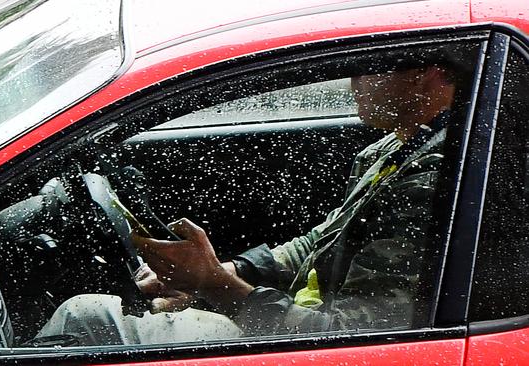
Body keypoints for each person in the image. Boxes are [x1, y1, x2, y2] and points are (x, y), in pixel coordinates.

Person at [37, 64, 457, 345]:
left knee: (84, 317)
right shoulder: (397, 149)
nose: (353, 82)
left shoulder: (433, 184)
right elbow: (317, 242)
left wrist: (216, 286)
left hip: (307, 347)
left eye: (369, 68)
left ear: (430, 75)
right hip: (293, 321)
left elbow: (354, 338)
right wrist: (224, 272)